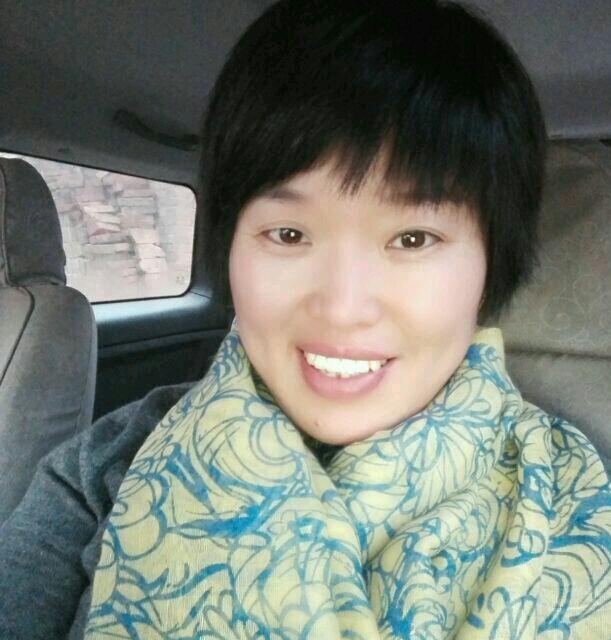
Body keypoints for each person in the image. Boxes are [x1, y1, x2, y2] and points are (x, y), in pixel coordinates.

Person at [1, 1, 609, 638]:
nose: (343, 308)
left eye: (412, 239)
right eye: (288, 234)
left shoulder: (574, 498)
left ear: (490, 267)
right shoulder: (107, 464)